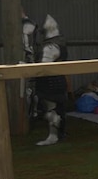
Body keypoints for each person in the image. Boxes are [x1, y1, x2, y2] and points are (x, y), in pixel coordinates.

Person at [27, 14, 69, 146]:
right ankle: (60, 133)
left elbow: (44, 66)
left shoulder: (50, 47)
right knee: (58, 109)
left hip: (50, 82)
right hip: (58, 80)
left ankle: (53, 136)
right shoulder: (59, 43)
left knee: (51, 110)